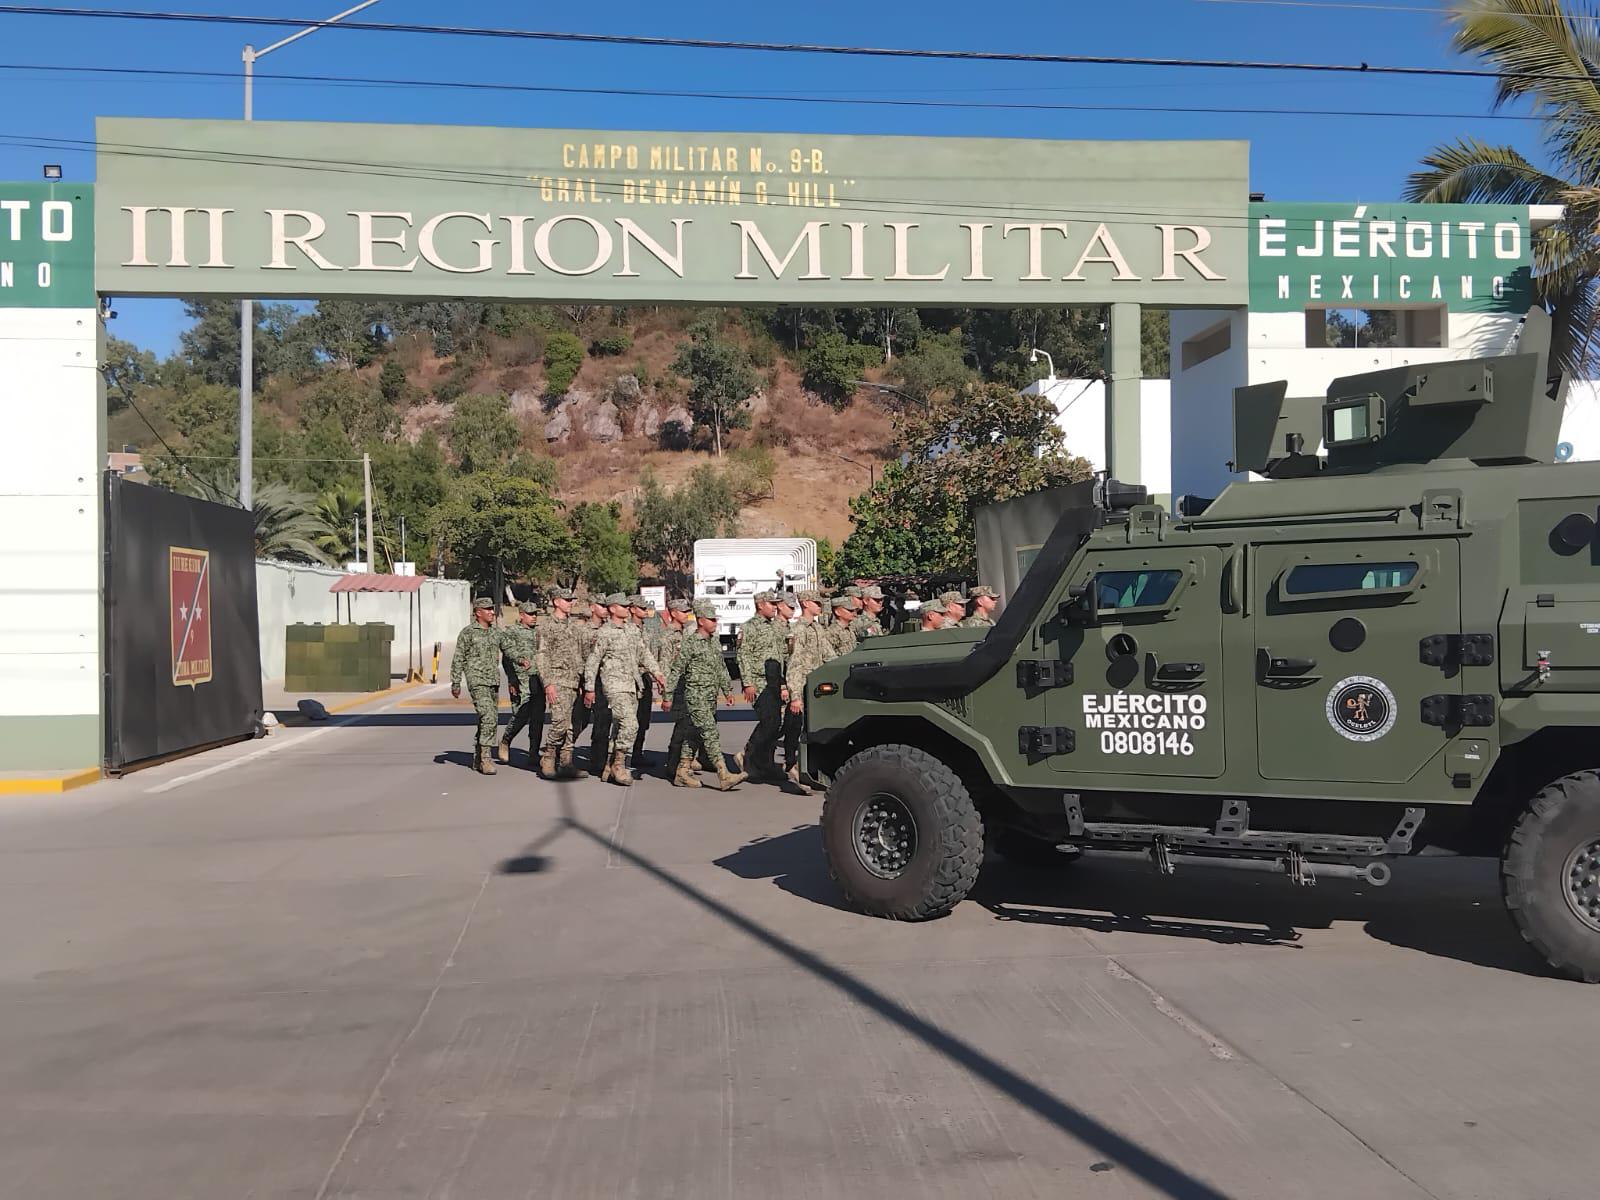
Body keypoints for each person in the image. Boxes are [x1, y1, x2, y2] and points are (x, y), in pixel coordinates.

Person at [661, 598, 745, 790]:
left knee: (693, 734)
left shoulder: (714, 642)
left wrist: (727, 690)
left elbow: (721, 667)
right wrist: (667, 696)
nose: (716, 623)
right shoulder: (691, 643)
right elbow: (676, 670)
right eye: (712, 619)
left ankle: (682, 772)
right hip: (695, 695)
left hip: (710, 696)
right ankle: (723, 774)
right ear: (701, 621)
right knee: (710, 732)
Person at [583, 593, 665, 786]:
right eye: (623, 606)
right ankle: (619, 765)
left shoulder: (632, 630)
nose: (628, 608)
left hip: (633, 685)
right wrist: (589, 688)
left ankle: (608, 766)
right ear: (612, 608)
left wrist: (658, 674)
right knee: (631, 724)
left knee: (619, 727)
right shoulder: (604, 632)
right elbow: (593, 661)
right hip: (614, 685)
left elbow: (644, 653)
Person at [733, 590, 788, 783]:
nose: (775, 607)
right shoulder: (749, 627)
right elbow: (743, 656)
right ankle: (748, 755)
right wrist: (747, 682)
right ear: (760, 605)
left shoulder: (774, 627)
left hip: (774, 681)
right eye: (771, 604)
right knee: (769, 722)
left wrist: (782, 683)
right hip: (758, 681)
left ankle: (765, 762)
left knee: (776, 724)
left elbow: (780, 654)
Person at [785, 590, 837, 786]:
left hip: (817, 688)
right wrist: (795, 695)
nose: (820, 606)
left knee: (815, 730)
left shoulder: (817, 628)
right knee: (801, 731)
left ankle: (811, 771)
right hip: (804, 688)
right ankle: (796, 770)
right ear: (806, 603)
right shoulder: (799, 630)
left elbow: (829, 656)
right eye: (816, 602)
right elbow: (794, 665)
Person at [450, 596, 507, 775]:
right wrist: (456, 682)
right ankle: (486, 759)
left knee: (489, 719)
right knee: (488, 716)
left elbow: (509, 648)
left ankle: (477, 755)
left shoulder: (496, 632)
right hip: (476, 681)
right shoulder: (468, 633)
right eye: (488, 609)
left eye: (492, 609)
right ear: (478, 613)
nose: (492, 612)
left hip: (493, 681)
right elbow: (458, 657)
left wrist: (521, 659)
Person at [535, 588, 584, 778]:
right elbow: (541, 657)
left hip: (574, 681)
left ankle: (566, 762)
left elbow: (578, 655)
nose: (570, 603)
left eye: (571, 600)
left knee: (573, 725)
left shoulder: (574, 626)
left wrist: (582, 680)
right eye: (566, 600)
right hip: (557, 680)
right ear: (556, 602)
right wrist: (548, 684)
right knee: (560, 723)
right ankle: (548, 757)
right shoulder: (546, 627)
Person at [497, 600, 544, 766]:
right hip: (521, 679)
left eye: (535, 614)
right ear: (521, 615)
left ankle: (533, 752)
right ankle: (505, 741)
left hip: (538, 679)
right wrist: (512, 679)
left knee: (538, 717)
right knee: (521, 715)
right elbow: (506, 659)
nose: (533, 617)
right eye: (530, 614)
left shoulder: (539, 632)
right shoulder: (512, 632)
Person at [629, 594, 663, 768]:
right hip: (630, 679)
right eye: (642, 608)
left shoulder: (647, 630)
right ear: (632, 609)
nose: (645, 611)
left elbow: (652, 654)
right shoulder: (626, 629)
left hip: (645, 678)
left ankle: (637, 753)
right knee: (629, 721)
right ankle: (621, 758)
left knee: (643, 719)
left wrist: (657, 675)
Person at [774, 592, 804, 780]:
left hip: (792, 681)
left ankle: (790, 761)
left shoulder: (788, 628)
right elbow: (777, 659)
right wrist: (783, 685)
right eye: (789, 606)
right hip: (782, 684)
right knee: (777, 726)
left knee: (793, 724)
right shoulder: (775, 630)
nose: (792, 610)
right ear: (779, 605)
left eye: (794, 607)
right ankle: (750, 755)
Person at [582, 593, 612, 777]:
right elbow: (580, 658)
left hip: (605, 684)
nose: (605, 609)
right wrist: (586, 685)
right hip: (588, 683)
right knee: (579, 722)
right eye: (601, 605)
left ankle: (598, 761)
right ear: (593, 607)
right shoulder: (584, 631)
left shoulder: (608, 629)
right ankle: (560, 755)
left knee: (603, 722)